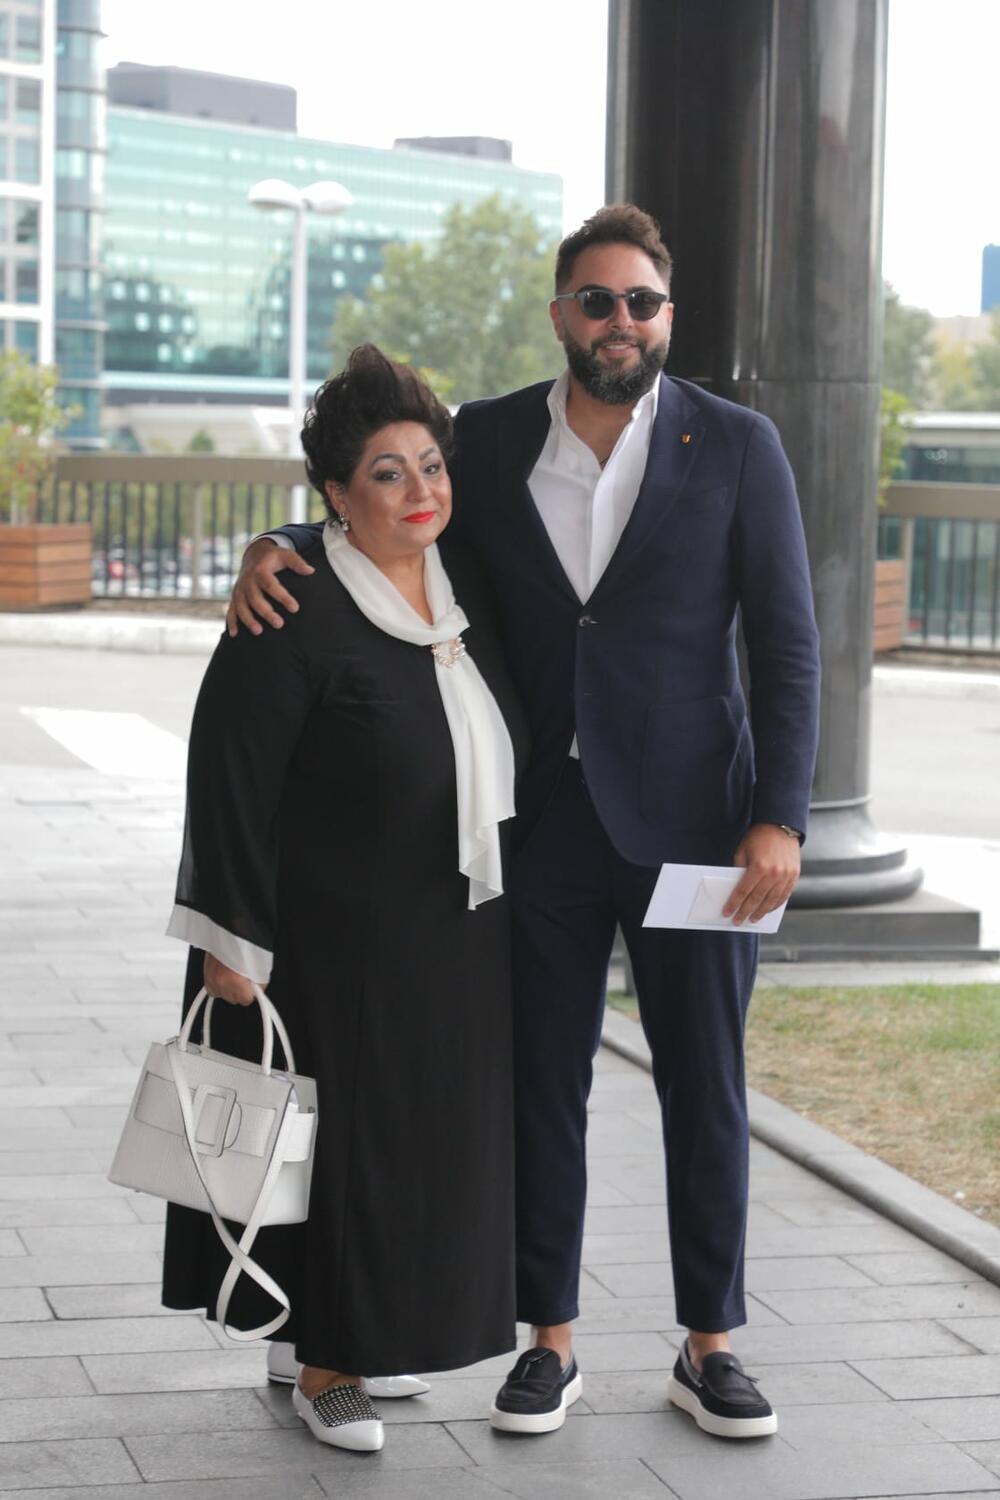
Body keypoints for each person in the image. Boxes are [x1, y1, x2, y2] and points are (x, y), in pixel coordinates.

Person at [228, 204, 821, 1440]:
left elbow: (785, 645)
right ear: (561, 314)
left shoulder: (739, 445)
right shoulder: (490, 438)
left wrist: (780, 819)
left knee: (706, 1087)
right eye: (596, 300)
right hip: (538, 825)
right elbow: (388, 502)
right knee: (539, 1087)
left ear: (668, 316)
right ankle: (548, 1341)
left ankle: (709, 1345)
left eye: (641, 301)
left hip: (700, 835)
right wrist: (275, 542)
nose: (620, 321)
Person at [162, 345, 528, 1453]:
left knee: (416, 1148)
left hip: (448, 929)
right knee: (346, 1148)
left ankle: (354, 1333)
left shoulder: (459, 583)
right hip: (327, 940)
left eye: (431, 466)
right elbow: (229, 773)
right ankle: (327, 1365)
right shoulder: (296, 601)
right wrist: (230, 940)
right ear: (336, 492)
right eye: (386, 472)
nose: (420, 491)